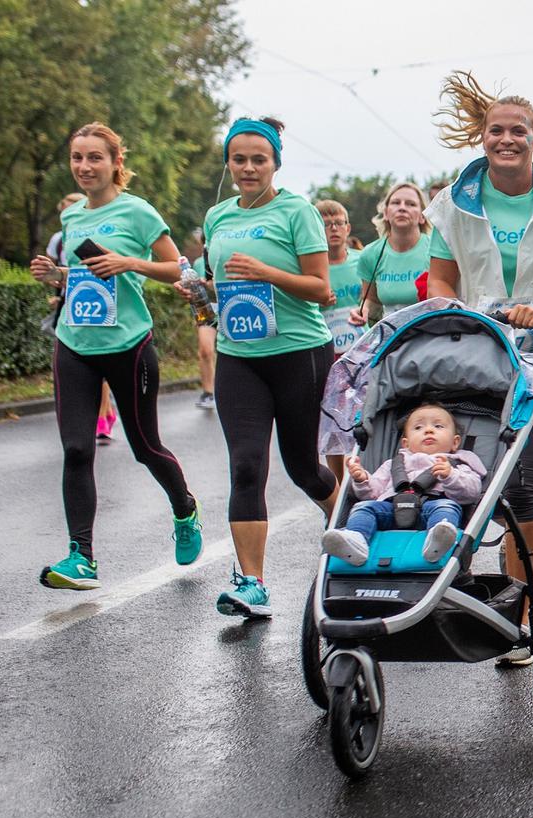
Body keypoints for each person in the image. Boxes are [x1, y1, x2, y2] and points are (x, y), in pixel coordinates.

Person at [425, 71, 533, 664]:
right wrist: (452, 309)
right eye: (496, 130)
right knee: (456, 471)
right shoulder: (452, 202)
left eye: (517, 131)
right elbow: (442, 277)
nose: (506, 139)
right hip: (473, 354)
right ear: (483, 139)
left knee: (522, 486)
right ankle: (445, 588)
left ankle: (519, 615)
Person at [29, 122, 202, 589]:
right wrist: (59, 276)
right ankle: (80, 556)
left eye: (94, 158)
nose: (84, 167)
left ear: (115, 163)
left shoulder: (138, 212)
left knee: (146, 448)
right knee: (76, 448)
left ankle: (185, 509)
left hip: (129, 345)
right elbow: (89, 277)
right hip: (76, 342)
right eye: (77, 158)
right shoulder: (72, 218)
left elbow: (179, 272)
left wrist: (131, 263)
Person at [194, 115, 338, 618]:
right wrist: (199, 287)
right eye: (240, 159)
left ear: (276, 162)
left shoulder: (297, 211)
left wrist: (267, 272)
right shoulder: (217, 217)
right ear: (228, 162)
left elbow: (322, 289)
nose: (249, 168)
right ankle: (252, 582)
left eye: (260, 159)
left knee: (302, 468)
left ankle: (344, 518)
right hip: (240, 356)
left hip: (299, 353)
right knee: (246, 465)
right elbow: (220, 282)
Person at [320, 403, 485, 565]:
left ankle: (437, 540)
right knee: (363, 507)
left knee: (447, 507)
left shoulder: (459, 465)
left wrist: (450, 476)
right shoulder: (393, 464)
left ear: (455, 442)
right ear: (405, 443)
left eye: (438, 426)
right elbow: (373, 493)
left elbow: (471, 492)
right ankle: (356, 540)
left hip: (430, 510)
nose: (428, 430)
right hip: (391, 510)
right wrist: (362, 479)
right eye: (418, 427)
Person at [46, 192, 119, 438]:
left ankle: (104, 411)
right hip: (71, 302)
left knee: (101, 362)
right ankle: (100, 413)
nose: (66, 215)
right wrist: (56, 287)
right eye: (63, 211)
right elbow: (61, 270)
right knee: (81, 361)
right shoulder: (59, 238)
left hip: (103, 299)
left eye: (70, 208)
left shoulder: (101, 227)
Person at [316, 200, 366, 482]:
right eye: (325, 224)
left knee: (362, 421)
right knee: (332, 423)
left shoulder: (363, 261)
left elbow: (376, 299)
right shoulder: (311, 268)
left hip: (360, 353)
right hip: (326, 354)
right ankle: (336, 491)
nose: (333, 229)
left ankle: (364, 484)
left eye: (338, 223)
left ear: (348, 228)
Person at [349, 182, 432, 326]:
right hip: (391, 340)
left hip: (431, 336)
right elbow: (372, 300)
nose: (402, 208)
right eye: (395, 203)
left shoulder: (436, 249)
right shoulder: (370, 254)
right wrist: (363, 311)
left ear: (422, 216)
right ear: (386, 213)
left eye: (411, 204)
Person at [184, 229, 218, 410]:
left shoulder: (228, 257)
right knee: (205, 350)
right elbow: (194, 289)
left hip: (230, 307)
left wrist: (211, 283)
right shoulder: (197, 263)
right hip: (206, 309)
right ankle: (208, 392)